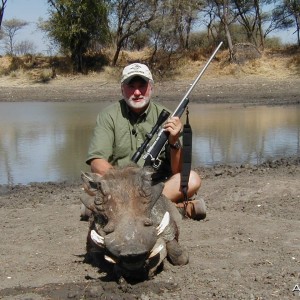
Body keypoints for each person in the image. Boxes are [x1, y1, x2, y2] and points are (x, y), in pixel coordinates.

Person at [84, 63, 206, 220]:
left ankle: (119, 210)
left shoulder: (169, 118)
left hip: (155, 188)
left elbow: (178, 172)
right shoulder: (108, 116)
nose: (136, 92)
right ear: (122, 89)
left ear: (151, 88)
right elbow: (96, 161)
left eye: (142, 86)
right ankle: (170, 209)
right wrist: (123, 184)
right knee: (91, 183)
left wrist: (174, 142)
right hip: (119, 186)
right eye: (131, 86)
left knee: (192, 179)